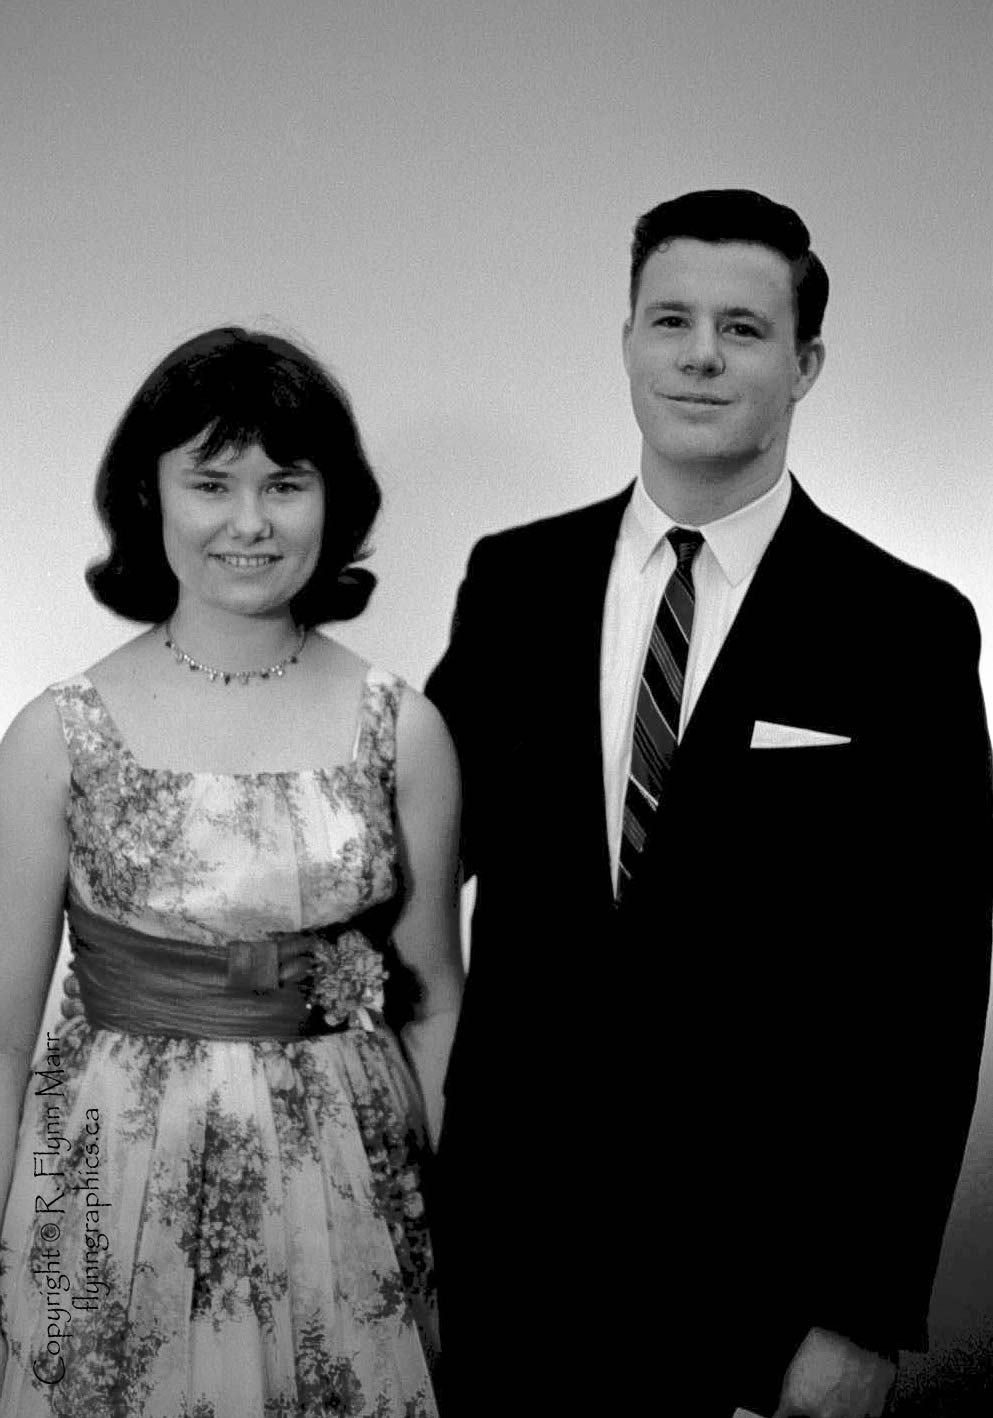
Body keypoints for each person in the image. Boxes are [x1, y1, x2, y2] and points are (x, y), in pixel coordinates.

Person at [424, 190, 993, 1417]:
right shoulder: (513, 581)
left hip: (758, 1288)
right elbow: (408, 860)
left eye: (742, 328)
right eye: (670, 319)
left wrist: (862, 1309)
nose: (699, 355)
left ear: (806, 364)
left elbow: (934, 987)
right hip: (501, 1259)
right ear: (628, 339)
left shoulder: (907, 627)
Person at [0, 327, 463, 1416]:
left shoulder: (403, 728)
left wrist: (460, 1222)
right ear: (148, 495)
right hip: (102, 1181)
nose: (249, 522)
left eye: (284, 484)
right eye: (211, 482)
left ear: (332, 501)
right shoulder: (58, 735)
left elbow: (436, 999)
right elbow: (2, 1034)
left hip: (350, 1184)